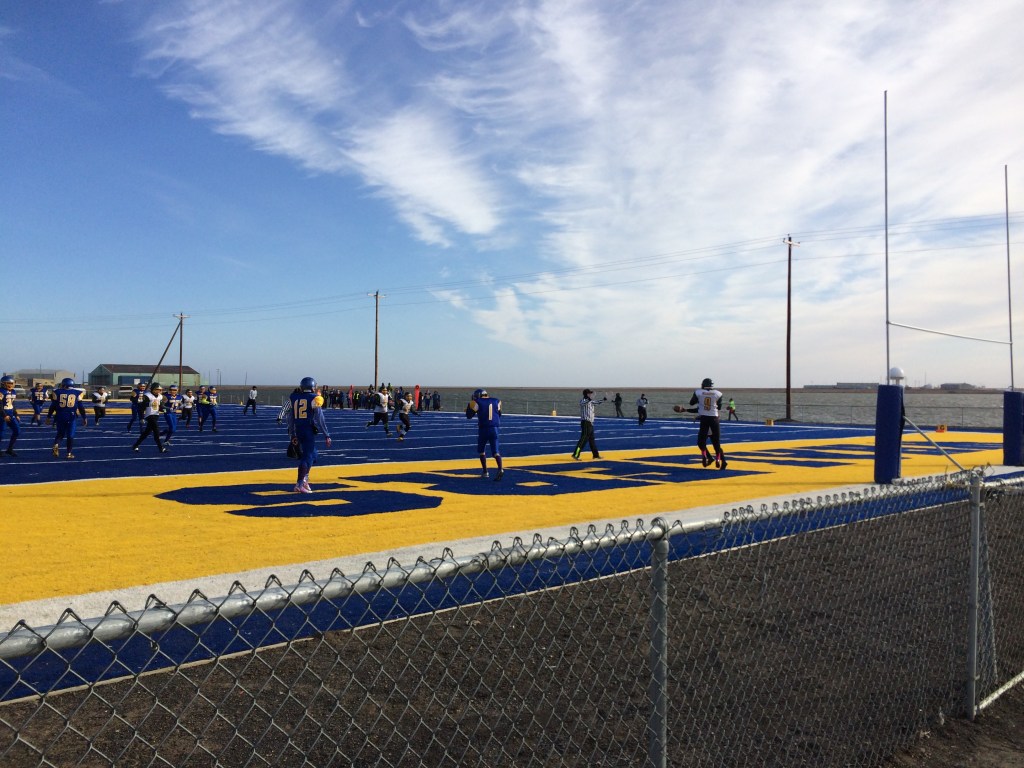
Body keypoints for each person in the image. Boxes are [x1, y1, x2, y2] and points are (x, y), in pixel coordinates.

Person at [286, 376, 332, 493]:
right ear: (312, 387)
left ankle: (305, 479)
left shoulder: (294, 397)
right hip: (307, 431)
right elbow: (320, 418)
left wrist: (291, 433)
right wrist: (326, 435)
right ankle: (299, 484)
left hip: (297, 429)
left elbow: (290, 417)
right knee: (306, 457)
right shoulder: (315, 398)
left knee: (314, 454)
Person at [681, 377, 727, 470]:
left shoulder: (698, 393)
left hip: (704, 419)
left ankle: (710, 457)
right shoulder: (718, 393)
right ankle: (719, 460)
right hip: (714, 419)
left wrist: (696, 405)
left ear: (702, 385)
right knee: (716, 443)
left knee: (701, 442)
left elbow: (692, 403)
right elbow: (718, 407)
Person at [466, 388, 503, 480]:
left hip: (484, 429)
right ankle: (500, 468)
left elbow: (469, 416)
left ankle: (485, 471)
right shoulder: (496, 401)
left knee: (482, 451)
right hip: (494, 429)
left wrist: (468, 408)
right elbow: (499, 414)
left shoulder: (477, 402)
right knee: (496, 452)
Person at [46, 377, 87, 459]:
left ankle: (56, 444)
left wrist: (49, 416)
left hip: (60, 415)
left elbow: (53, 406)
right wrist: (84, 417)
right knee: (70, 435)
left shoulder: (56, 392)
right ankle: (68, 453)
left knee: (60, 433)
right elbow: (81, 407)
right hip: (71, 416)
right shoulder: (77, 393)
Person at [132, 382, 168, 454]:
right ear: (153, 389)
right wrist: (142, 418)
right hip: (149, 415)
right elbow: (141, 407)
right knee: (156, 431)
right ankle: (161, 448)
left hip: (156, 415)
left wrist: (165, 410)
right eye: (157, 389)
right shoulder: (147, 396)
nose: (159, 391)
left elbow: (160, 407)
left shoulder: (160, 396)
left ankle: (135, 445)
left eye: (160, 389)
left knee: (146, 433)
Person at [572, 389, 606, 460]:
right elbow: (583, 403)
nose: (591, 394)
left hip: (590, 423)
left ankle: (595, 455)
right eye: (589, 393)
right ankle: (576, 454)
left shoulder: (591, 402)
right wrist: (590, 398)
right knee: (583, 439)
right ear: (586, 394)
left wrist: (604, 399)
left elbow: (597, 402)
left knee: (592, 440)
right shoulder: (583, 401)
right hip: (586, 422)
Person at [0, 375, 23, 456]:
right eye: (9, 383)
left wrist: (16, 414)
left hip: (11, 414)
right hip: (2, 414)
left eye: (12, 383)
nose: (11, 385)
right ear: (3, 383)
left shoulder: (13, 391)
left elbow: (12, 404)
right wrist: (4, 415)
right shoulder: (1, 391)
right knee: (1, 433)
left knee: (17, 431)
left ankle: (9, 449)